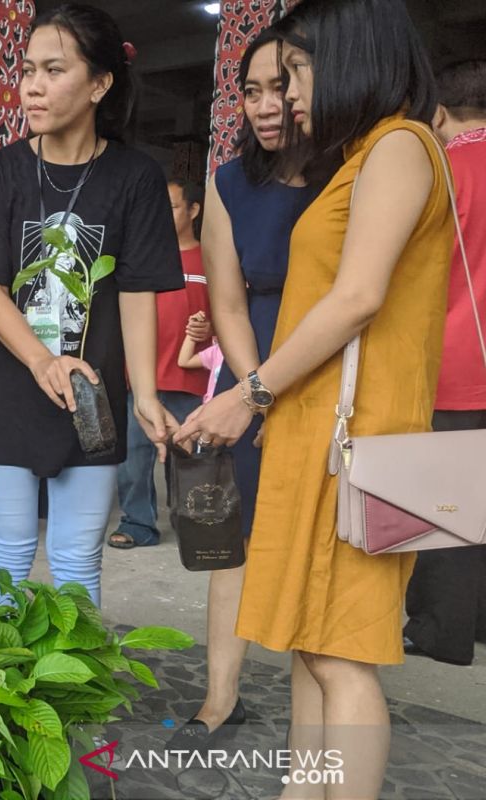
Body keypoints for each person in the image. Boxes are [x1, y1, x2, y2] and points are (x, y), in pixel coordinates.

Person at [176, 0, 452, 794]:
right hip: (324, 432)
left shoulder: (399, 146)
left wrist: (249, 393)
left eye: (296, 70)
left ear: (351, 57)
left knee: (344, 657)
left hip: (360, 440)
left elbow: (359, 295)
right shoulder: (365, 153)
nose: (287, 93)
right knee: (310, 642)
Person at [0, 3, 183, 606]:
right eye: (28, 69)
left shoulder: (135, 179)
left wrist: (147, 396)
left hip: (91, 397)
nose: (32, 85)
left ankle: (71, 699)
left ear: (100, 84)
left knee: (78, 557)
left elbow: (135, 291)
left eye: (53, 70)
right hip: (7, 388)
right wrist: (42, 361)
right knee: (6, 549)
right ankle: (0, 697)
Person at [166, 30, 326, 752]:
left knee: (310, 547)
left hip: (324, 365)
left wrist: (276, 386)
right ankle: (219, 698)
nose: (268, 105)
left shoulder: (347, 172)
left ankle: (320, 713)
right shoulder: (228, 182)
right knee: (228, 542)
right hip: (248, 365)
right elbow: (227, 302)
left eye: (280, 86)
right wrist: (254, 389)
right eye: (252, 91)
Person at [403, 59, 486, 667]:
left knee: (449, 508)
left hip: (454, 362)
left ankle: (443, 631)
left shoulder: (442, 172)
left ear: (438, 112)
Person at [108, 178, 211, 549]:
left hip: (191, 377)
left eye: (170, 207)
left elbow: (228, 314)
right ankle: (138, 523)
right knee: (134, 458)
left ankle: (192, 524)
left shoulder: (210, 259)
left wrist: (208, 328)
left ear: (193, 210)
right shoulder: (142, 257)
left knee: (189, 457)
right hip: (142, 377)